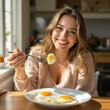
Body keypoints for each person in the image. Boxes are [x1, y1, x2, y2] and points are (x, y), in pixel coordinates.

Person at [7, 6, 98, 97]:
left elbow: (84, 97)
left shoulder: (83, 58)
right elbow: (25, 93)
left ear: (77, 38)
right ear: (52, 30)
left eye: (72, 32)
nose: (63, 36)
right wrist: (20, 69)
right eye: (59, 28)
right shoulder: (36, 54)